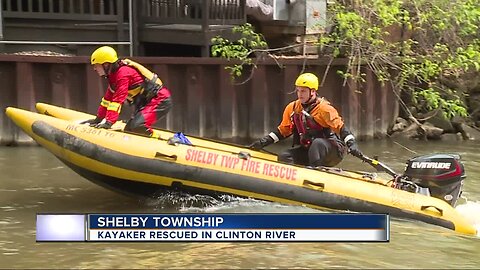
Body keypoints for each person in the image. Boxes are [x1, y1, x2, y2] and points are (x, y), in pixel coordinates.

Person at [248, 72, 363, 167]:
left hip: (332, 150)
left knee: (317, 144)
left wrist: (352, 144)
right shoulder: (292, 108)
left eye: (303, 91)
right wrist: (263, 142)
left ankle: (316, 174)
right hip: (310, 150)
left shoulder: (324, 109)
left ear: (312, 91)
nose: (299, 94)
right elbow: (283, 131)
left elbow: (341, 129)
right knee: (284, 156)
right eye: (298, 90)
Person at [81, 46, 172, 138]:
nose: (95, 69)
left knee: (137, 126)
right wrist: (98, 119)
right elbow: (107, 100)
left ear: (106, 64)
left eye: (96, 65)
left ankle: (158, 138)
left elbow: (117, 100)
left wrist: (109, 122)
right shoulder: (113, 76)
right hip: (148, 101)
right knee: (129, 130)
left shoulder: (123, 74)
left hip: (160, 100)